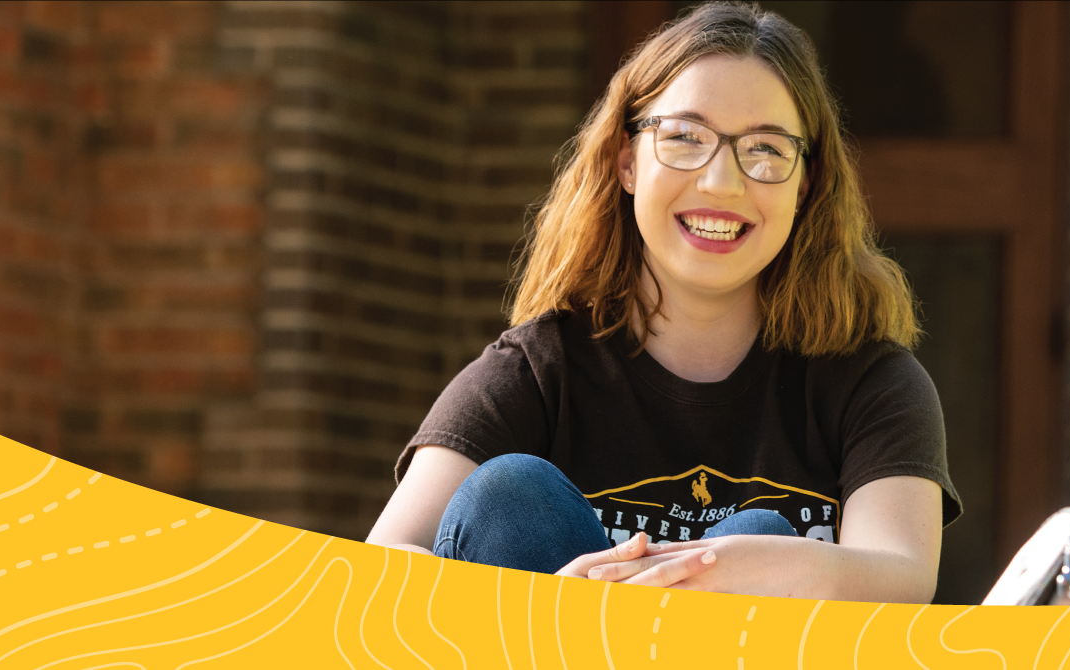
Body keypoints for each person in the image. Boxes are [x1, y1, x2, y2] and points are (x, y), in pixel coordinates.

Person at [363, 2, 957, 604]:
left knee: (761, 535)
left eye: (766, 150)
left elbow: (902, 575)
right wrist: (535, 611)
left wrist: (754, 566)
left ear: (806, 185)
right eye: (684, 138)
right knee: (510, 495)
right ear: (627, 162)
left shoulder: (871, 384)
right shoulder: (536, 371)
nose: (721, 182)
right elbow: (382, 568)